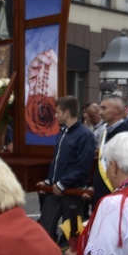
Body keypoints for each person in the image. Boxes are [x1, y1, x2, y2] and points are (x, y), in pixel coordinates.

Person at [36, 96, 95, 242]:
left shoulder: (85, 135)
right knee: (44, 231)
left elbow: (83, 167)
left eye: (57, 112)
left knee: (71, 238)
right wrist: (49, 181)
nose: (55, 116)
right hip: (55, 191)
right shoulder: (62, 133)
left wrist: (63, 183)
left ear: (66, 113)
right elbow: (56, 162)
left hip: (73, 193)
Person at [92, 94, 128, 208]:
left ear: (116, 110)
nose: (100, 113)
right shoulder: (105, 132)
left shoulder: (127, 134)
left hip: (116, 196)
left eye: (104, 108)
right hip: (100, 195)